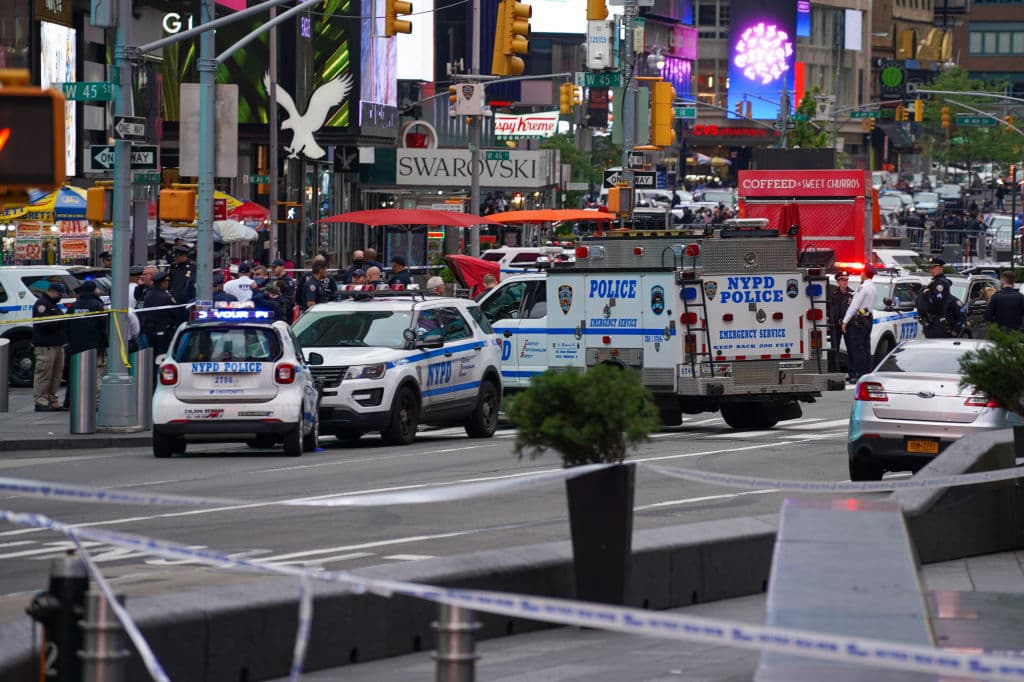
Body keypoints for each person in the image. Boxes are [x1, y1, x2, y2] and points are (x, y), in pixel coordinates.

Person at [66, 280, 108, 401]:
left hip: (76, 347)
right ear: (94, 290)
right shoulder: (98, 305)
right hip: (95, 347)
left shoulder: (74, 306)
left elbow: (66, 325)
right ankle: (96, 401)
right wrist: (104, 344)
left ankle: (76, 400)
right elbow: (104, 327)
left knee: (78, 374)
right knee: (96, 374)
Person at [31, 282, 69, 411]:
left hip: (57, 344)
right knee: (44, 375)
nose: (60, 297)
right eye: (59, 294)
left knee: (56, 375)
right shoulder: (42, 304)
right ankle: (41, 401)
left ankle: (53, 400)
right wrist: (61, 322)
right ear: (51, 291)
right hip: (45, 346)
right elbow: (45, 324)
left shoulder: (52, 304)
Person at [841, 264, 877, 383]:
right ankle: (867, 372)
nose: (860, 274)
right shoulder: (873, 287)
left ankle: (861, 375)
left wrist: (845, 321)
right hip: (868, 319)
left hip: (859, 321)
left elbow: (854, 306)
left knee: (858, 348)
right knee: (866, 348)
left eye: (862, 272)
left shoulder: (862, 288)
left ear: (865, 273)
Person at [917, 257, 962, 338]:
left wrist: (927, 292)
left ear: (940, 268)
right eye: (929, 268)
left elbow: (936, 299)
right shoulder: (935, 281)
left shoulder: (940, 282)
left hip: (938, 324)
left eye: (933, 267)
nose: (930, 270)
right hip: (931, 323)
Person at [140, 271, 180, 357]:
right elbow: (175, 313)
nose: (168, 283)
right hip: (164, 331)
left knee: (153, 355)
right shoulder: (165, 297)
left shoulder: (149, 295)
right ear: (162, 282)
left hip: (150, 331)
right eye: (167, 281)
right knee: (162, 355)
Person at [828, 271, 855, 376]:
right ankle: (834, 372)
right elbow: (828, 308)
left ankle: (853, 373)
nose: (845, 282)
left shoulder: (852, 294)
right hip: (835, 325)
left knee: (851, 349)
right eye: (842, 280)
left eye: (846, 280)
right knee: (834, 348)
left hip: (848, 325)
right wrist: (831, 319)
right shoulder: (833, 294)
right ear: (838, 281)